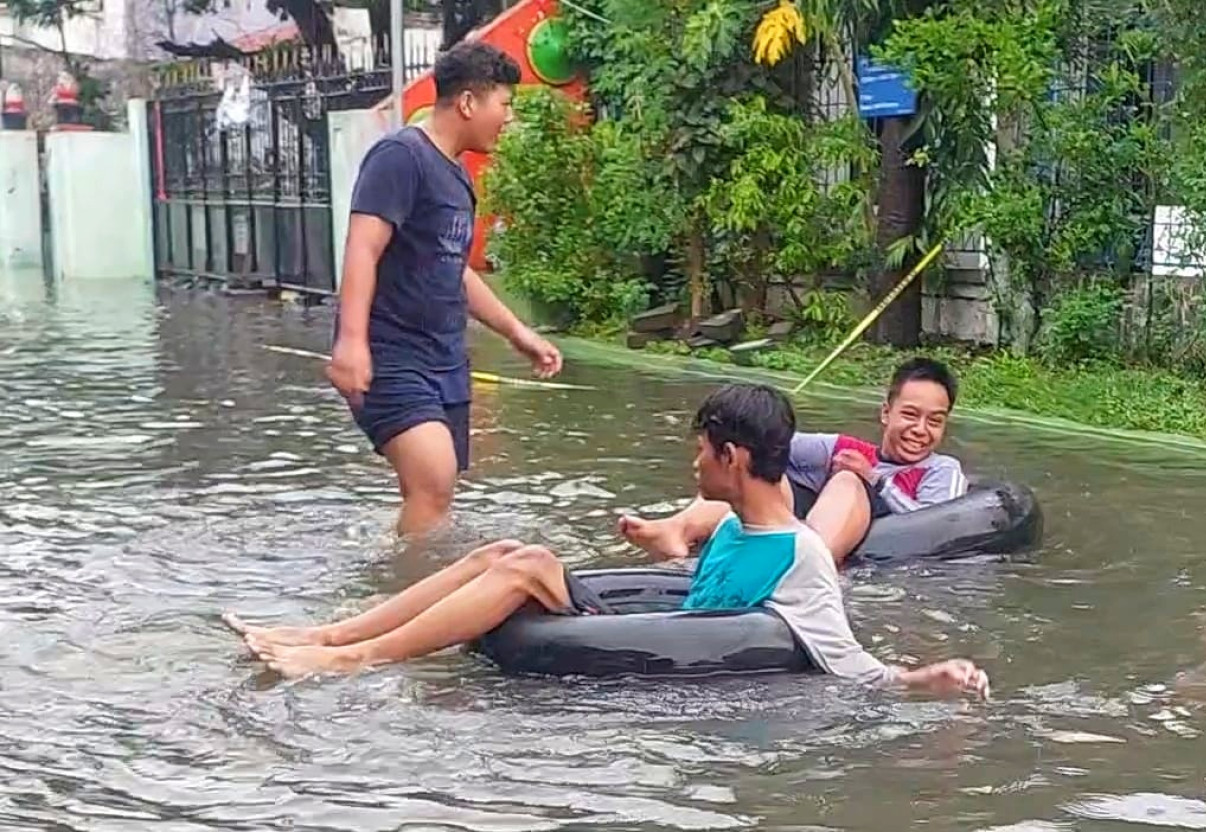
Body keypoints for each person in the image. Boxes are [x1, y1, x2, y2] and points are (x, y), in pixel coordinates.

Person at [224, 383, 989, 698]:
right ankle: (326, 633)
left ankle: (346, 660)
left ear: (732, 459)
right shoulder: (728, 524)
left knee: (524, 565)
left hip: (654, 642)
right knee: (504, 553)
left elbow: (849, 661)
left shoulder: (801, 556)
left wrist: (927, 679)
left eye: (702, 451)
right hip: (657, 614)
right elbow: (682, 585)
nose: (693, 463)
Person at [325, 41, 563, 538]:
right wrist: (350, 342)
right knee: (433, 481)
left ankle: (414, 587)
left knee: (435, 488)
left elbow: (453, 268)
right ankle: (408, 600)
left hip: (445, 359)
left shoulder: (455, 175)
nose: (508, 119)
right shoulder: (400, 157)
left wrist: (518, 334)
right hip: (392, 355)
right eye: (505, 104)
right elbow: (362, 248)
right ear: (469, 102)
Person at [619, 357, 967, 566]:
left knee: (848, 480)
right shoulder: (844, 447)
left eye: (934, 421)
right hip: (800, 524)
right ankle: (676, 529)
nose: (920, 430)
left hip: (845, 546)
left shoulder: (941, 470)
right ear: (886, 413)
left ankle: (800, 568)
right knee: (764, 471)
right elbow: (766, 445)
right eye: (910, 415)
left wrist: (873, 478)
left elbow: (936, 525)